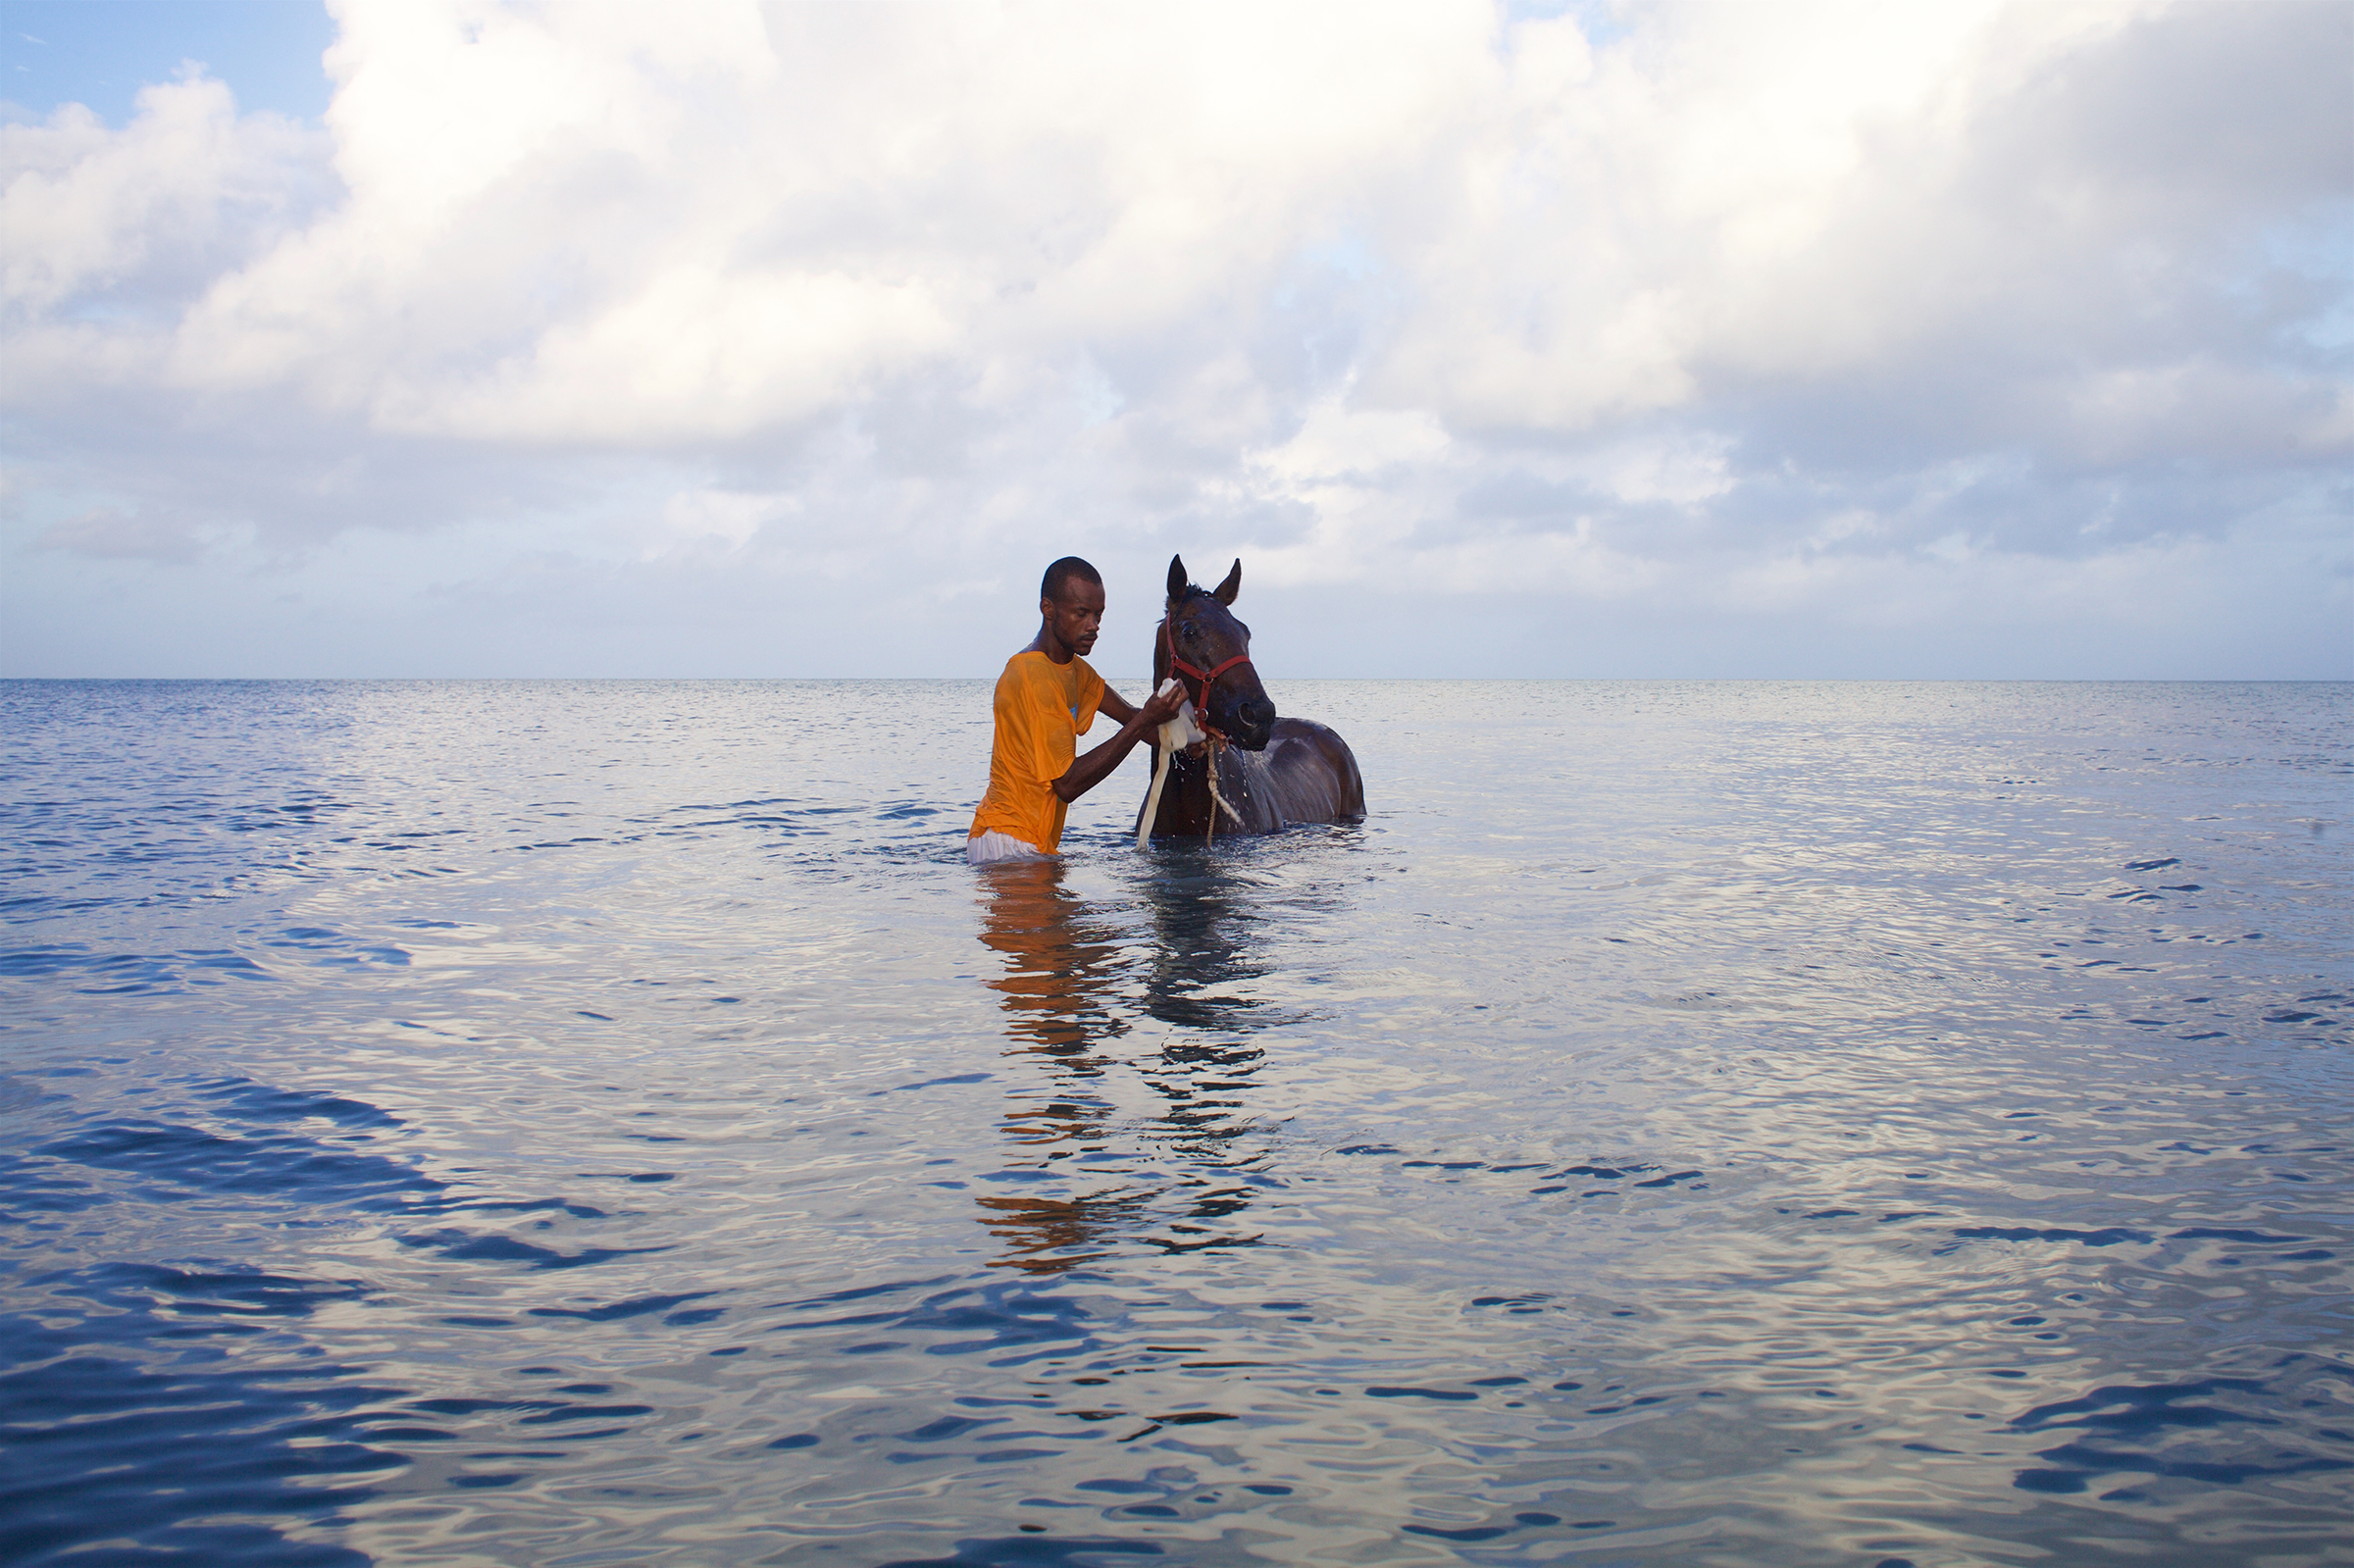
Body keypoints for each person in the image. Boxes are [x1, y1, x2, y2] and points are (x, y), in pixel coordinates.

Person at [967, 557, 1185, 866]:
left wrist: (1193, 739)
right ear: (1048, 609)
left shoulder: (1075, 670)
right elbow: (1067, 784)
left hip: (1033, 843)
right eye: (1081, 614)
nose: (1093, 626)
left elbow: (1131, 717)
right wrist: (1146, 720)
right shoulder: (1032, 676)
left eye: (1098, 615)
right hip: (1008, 843)